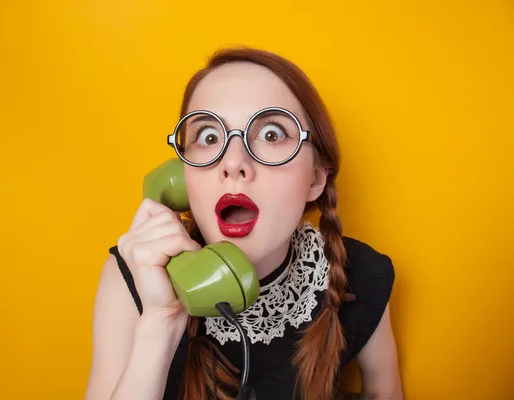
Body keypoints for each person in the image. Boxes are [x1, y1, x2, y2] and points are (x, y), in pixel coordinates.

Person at [85, 47, 403, 400]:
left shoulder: (361, 274)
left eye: (270, 134)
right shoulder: (130, 274)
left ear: (315, 178)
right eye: (209, 137)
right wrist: (161, 320)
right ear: (181, 176)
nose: (233, 162)